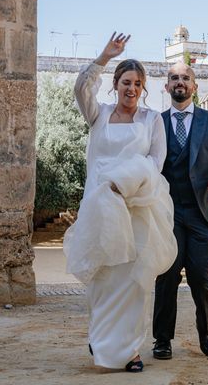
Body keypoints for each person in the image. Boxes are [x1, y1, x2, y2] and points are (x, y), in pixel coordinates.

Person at [63, 32, 177, 373]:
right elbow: (81, 89)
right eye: (126, 82)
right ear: (116, 84)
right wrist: (103, 57)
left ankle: (131, 351)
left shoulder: (152, 120)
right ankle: (100, 339)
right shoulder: (98, 114)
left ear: (144, 89)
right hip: (101, 206)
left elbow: (156, 163)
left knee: (134, 280)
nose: (132, 88)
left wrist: (127, 183)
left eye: (138, 83)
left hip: (138, 207)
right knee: (104, 277)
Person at [152, 61, 208, 359]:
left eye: (185, 78)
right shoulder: (156, 123)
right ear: (167, 86)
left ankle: (205, 328)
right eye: (174, 78)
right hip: (167, 213)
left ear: (194, 86)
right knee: (167, 275)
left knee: (202, 276)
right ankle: (162, 339)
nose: (180, 82)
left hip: (202, 213)